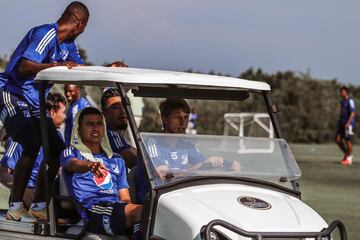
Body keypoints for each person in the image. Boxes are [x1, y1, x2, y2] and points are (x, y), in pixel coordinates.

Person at [0, 1, 89, 221]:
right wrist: (54, 66)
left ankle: (39, 204)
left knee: (58, 151)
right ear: (79, 24)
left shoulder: (69, 45)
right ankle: (15, 205)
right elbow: (24, 66)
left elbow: (79, 69)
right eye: (85, 28)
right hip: (12, 93)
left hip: (34, 100)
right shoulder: (46, 33)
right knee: (31, 142)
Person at [60, 107, 143, 239]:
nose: (95, 128)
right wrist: (89, 165)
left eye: (99, 124)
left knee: (152, 215)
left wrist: (128, 209)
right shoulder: (72, 152)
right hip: (92, 210)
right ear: (79, 128)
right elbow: (72, 164)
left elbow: (125, 197)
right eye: (89, 124)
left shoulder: (116, 159)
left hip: (114, 210)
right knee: (141, 213)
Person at [136, 98, 240, 203]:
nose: (183, 122)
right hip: (154, 200)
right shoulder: (152, 142)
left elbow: (203, 166)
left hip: (180, 195)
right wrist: (199, 167)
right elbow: (164, 174)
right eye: (177, 117)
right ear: (165, 119)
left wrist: (226, 165)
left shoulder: (186, 144)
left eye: (186, 117)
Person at [0, 93, 66, 213]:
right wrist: (23, 190)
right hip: (25, 200)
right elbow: (3, 173)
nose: (65, 117)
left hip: (46, 199)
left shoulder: (58, 138)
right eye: (63, 112)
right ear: (52, 112)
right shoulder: (22, 135)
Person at [101, 88, 137, 168]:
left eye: (124, 106)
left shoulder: (116, 135)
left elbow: (139, 152)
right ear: (105, 114)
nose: (123, 111)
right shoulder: (110, 134)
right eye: (116, 107)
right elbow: (132, 160)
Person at [336, 86, 356, 165]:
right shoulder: (342, 101)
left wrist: (348, 123)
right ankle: (348, 154)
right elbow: (342, 113)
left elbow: (353, 113)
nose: (340, 93)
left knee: (348, 141)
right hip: (342, 123)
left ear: (346, 92)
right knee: (337, 139)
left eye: (342, 91)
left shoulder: (350, 101)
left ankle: (349, 159)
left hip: (349, 124)